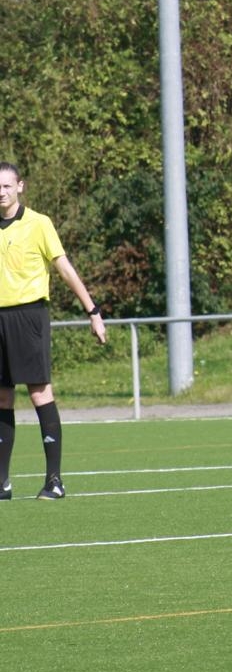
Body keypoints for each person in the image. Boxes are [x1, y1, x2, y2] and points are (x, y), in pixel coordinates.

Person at [0, 162, 107, 501]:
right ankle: (2, 483)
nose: (1, 192)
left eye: (6, 185)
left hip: (29, 316)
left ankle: (54, 481)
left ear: (20, 186)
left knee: (39, 393)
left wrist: (93, 311)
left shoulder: (39, 223)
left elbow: (64, 269)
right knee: (2, 397)